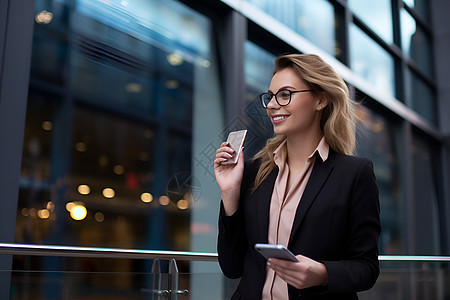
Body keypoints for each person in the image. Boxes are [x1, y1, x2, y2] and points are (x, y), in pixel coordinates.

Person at [214, 53, 381, 300]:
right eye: (270, 97)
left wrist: (323, 273)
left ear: (320, 100)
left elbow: (367, 268)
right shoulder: (253, 171)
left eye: (285, 95)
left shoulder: (354, 174)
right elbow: (232, 267)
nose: (271, 105)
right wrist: (229, 193)